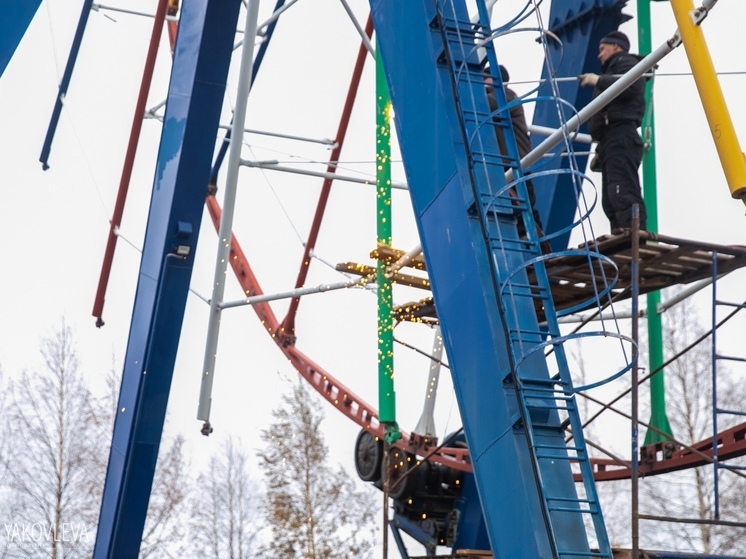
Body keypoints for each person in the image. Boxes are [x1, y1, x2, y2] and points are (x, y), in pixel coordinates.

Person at [579, 30, 648, 233]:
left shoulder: (626, 63)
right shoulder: (613, 70)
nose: (599, 55)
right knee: (611, 199)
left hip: (620, 135)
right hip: (610, 140)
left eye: (602, 49)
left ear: (616, 47)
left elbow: (631, 86)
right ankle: (622, 237)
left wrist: (598, 81)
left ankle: (633, 238)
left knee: (622, 191)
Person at [485, 64, 543, 236]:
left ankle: (541, 245)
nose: (480, 81)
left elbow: (487, 104)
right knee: (518, 208)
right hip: (508, 162)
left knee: (524, 208)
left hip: (516, 161)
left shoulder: (505, 96)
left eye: (484, 77)